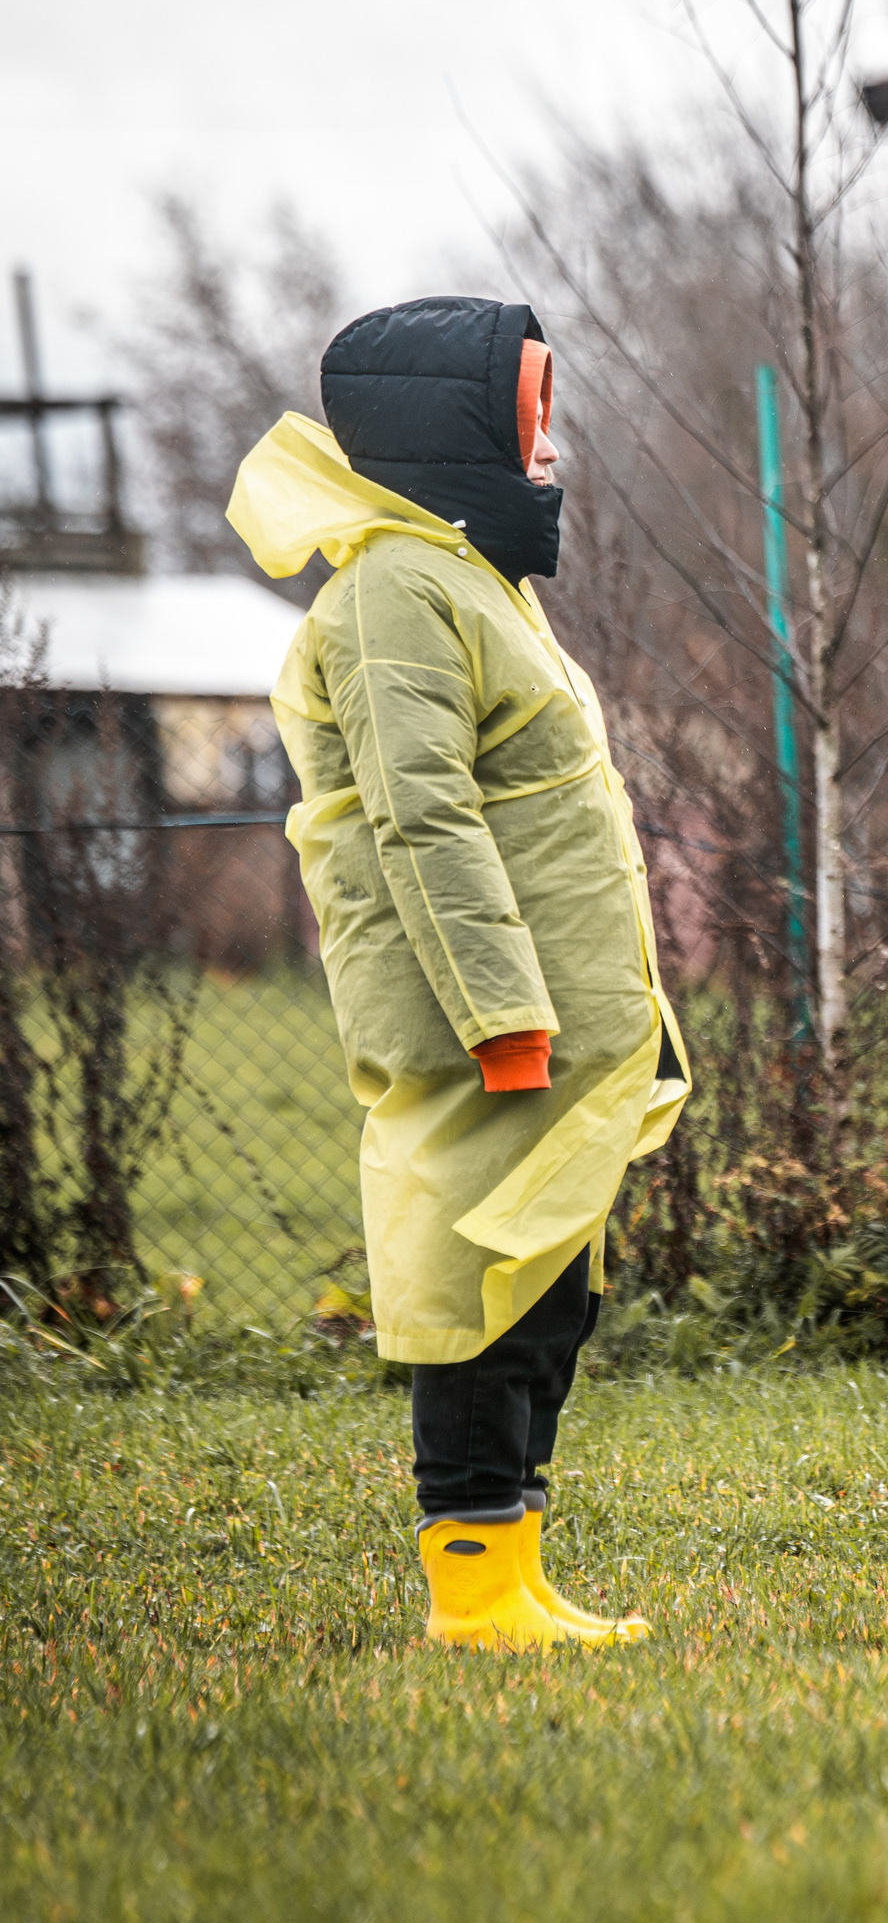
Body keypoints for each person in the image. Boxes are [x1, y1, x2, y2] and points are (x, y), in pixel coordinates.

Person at [229, 297, 691, 1651]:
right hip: (494, 1028)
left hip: (563, 1021)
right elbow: (419, 818)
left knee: (550, 1294)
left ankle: (515, 1571)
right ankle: (474, 1596)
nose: (548, 447)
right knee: (478, 1302)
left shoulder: (467, 578)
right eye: (530, 415)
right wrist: (502, 1019)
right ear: (457, 427)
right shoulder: (390, 593)